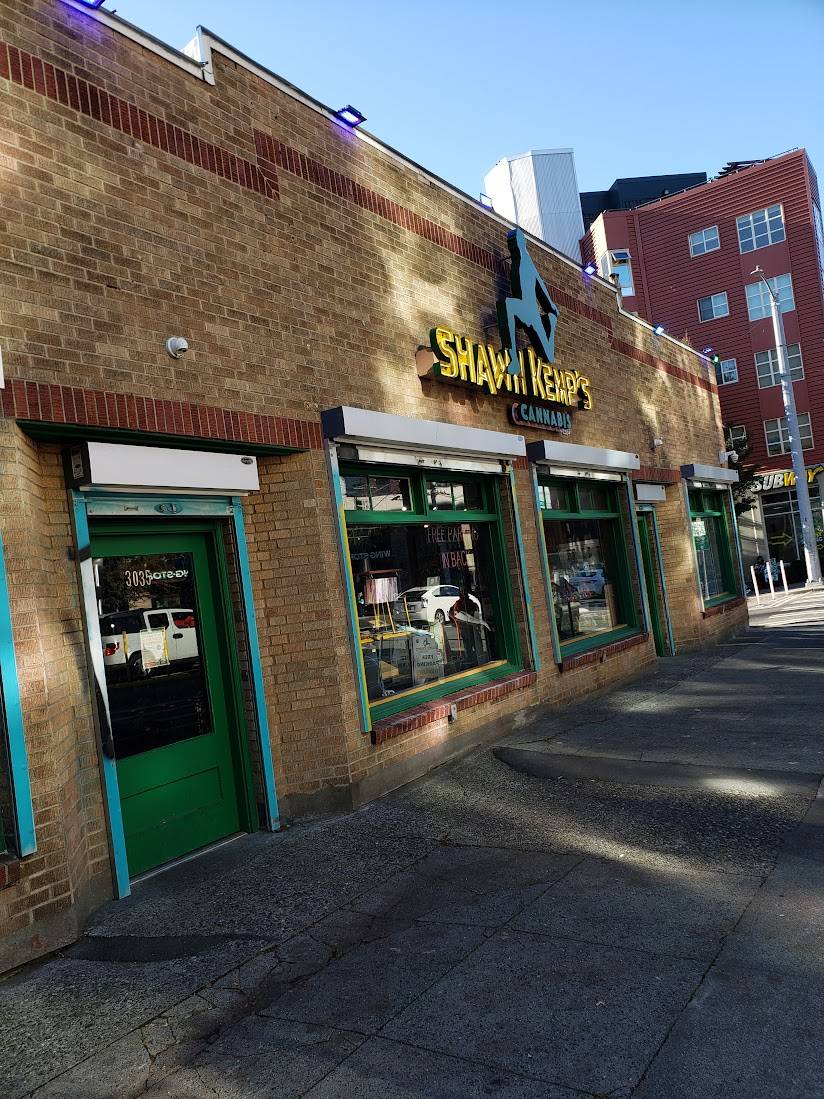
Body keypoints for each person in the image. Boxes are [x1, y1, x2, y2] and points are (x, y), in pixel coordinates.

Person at [497, 227, 559, 376]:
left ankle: (550, 323)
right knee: (507, 305)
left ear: (522, 243)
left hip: (532, 312)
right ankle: (512, 358)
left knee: (548, 355)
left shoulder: (528, 263)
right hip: (522, 306)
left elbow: (541, 288)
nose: (513, 245)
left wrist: (551, 308)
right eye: (511, 243)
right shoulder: (516, 261)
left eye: (515, 242)